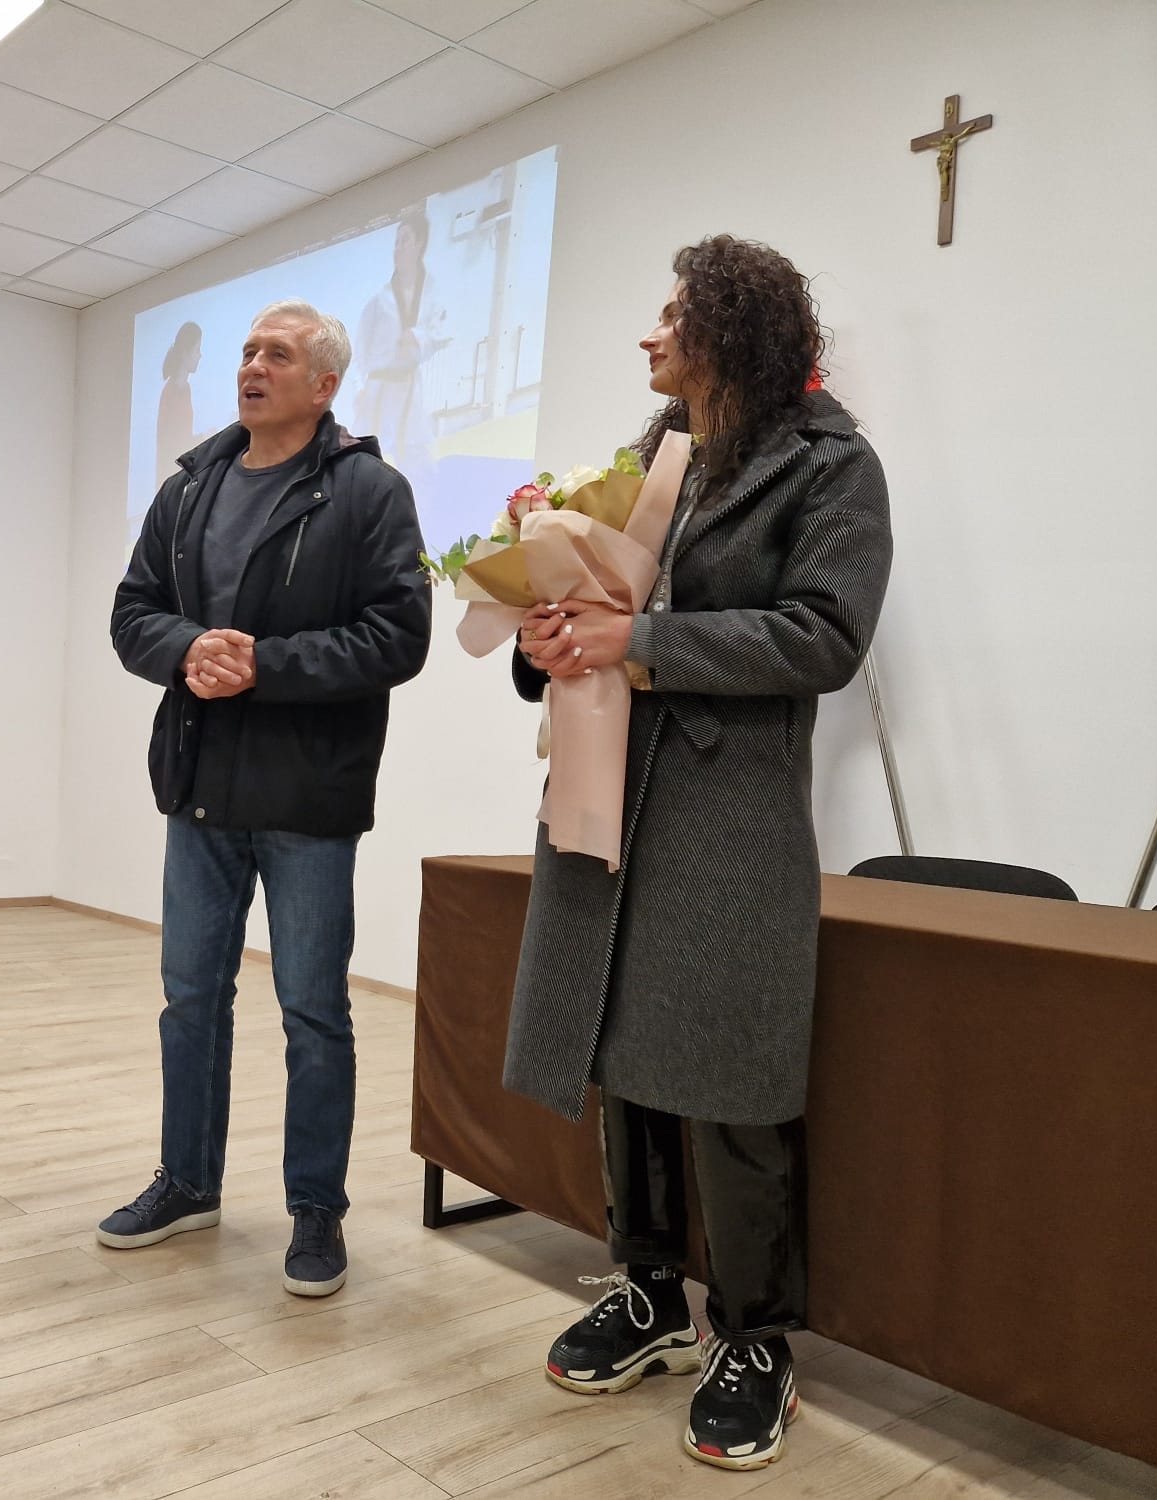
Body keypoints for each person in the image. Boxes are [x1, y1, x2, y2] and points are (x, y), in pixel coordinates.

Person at [507, 236, 892, 1471]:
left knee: (729, 1079)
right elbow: (593, 608)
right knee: (619, 1053)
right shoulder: (649, 453)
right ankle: (646, 1295)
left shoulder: (831, 466)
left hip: (727, 822)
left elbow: (821, 635)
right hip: (606, 798)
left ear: (730, 331)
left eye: (672, 315)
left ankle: (754, 1338)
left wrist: (641, 643)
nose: (649, 334)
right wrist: (543, 625)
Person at [104, 299, 432, 1298]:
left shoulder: (368, 492)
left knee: (312, 1012)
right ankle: (187, 1183)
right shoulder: (189, 488)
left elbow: (398, 636)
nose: (252, 366)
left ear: (324, 384)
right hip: (199, 784)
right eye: (248, 351)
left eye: (276, 355)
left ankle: (316, 1212)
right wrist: (185, 650)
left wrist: (265, 665)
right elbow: (132, 612)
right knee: (190, 1000)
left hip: (307, 794)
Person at [352, 206, 448, 478]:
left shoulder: (433, 292)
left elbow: (441, 332)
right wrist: (359, 387)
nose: (398, 248)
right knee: (364, 457)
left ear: (420, 244)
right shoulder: (378, 300)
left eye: (405, 240)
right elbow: (358, 352)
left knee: (418, 458)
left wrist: (416, 337)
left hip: (408, 386)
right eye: (396, 242)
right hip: (377, 388)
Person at [156, 322, 202, 491]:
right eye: (197, 350)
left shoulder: (185, 389)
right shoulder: (171, 393)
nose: (200, 356)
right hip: (173, 483)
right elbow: (172, 444)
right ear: (184, 354)